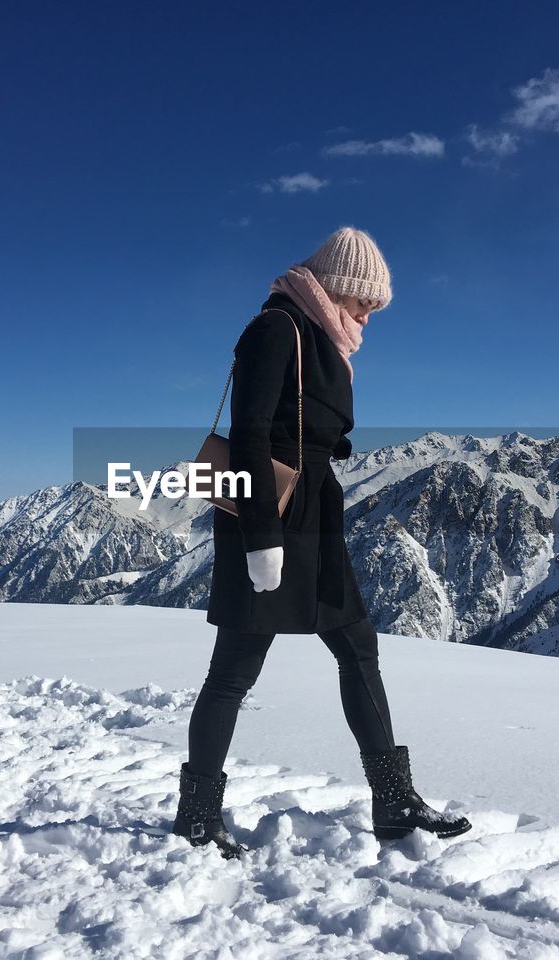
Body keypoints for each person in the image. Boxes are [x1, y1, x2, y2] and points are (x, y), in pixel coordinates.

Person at [172, 226, 473, 859]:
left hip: (316, 512)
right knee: (234, 670)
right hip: (272, 512)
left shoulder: (324, 338)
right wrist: (260, 536)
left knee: (359, 650)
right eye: (365, 302)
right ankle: (197, 815)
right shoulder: (276, 327)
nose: (369, 316)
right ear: (338, 286)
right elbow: (250, 434)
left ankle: (393, 800)